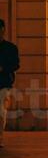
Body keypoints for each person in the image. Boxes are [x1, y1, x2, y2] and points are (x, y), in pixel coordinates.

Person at [0, 19, 19, 147]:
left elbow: (16, 65)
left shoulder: (11, 48)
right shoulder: (11, 47)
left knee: (1, 111)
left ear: (3, 30)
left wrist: (3, 68)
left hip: (3, 83)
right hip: (5, 81)